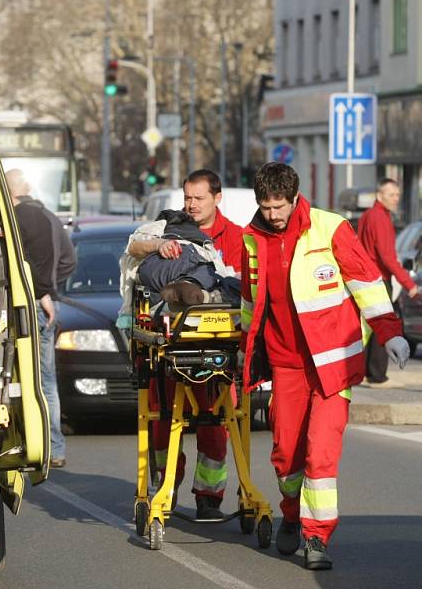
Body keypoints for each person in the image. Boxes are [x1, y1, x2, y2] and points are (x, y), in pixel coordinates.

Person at [240, 162, 409, 570]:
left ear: (295, 197)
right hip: (287, 364)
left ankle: (317, 538)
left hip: (333, 363)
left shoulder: (330, 228)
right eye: (266, 207)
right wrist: (242, 351)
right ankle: (291, 513)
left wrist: (390, 332)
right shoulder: (253, 239)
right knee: (285, 453)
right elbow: (251, 302)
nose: (273, 215)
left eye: (279, 206)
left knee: (321, 453)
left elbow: (365, 281)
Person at [128, 169, 243, 520]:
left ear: (217, 198)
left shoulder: (236, 237)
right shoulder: (170, 228)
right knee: (162, 421)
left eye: (199, 198)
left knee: (215, 423)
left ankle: (210, 495)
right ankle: (167, 484)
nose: (191, 205)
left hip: (215, 342)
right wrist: (160, 245)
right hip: (171, 343)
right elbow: (134, 247)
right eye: (188, 198)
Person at [7, 169, 76, 469]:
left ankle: (30, 444)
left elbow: (18, 262)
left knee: (19, 376)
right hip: (46, 302)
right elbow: (69, 260)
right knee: (46, 379)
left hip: (28, 304)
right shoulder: (49, 216)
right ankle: (53, 447)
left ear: (8, 193)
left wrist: (41, 290)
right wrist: (51, 286)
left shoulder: (17, 218)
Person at [357, 178, 419, 384]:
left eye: (398, 195)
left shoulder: (367, 216)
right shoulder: (380, 218)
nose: (396, 199)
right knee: (383, 326)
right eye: (391, 194)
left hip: (366, 279)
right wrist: (409, 284)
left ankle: (366, 372)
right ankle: (377, 374)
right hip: (379, 280)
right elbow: (387, 257)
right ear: (379, 195)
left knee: (369, 326)